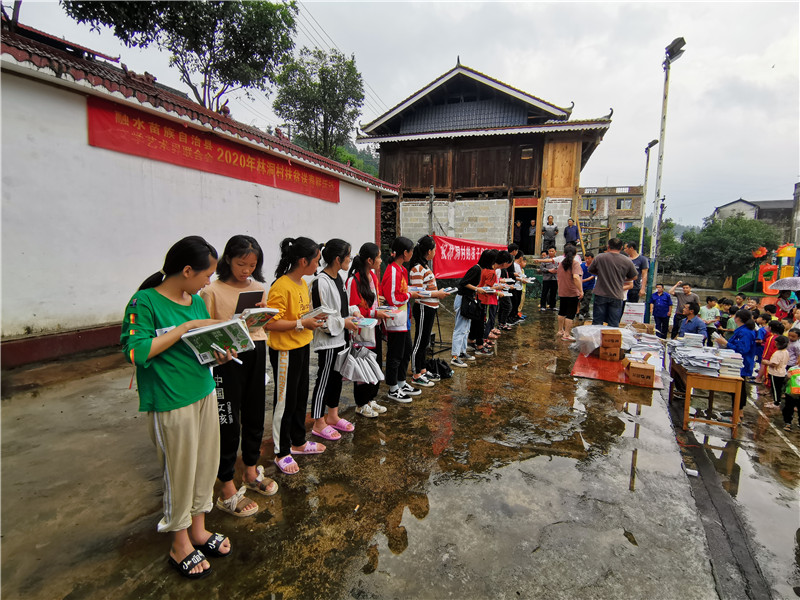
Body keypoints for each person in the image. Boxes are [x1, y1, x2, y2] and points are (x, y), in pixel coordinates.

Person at [121, 236, 236, 579]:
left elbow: (201, 346)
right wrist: (185, 327)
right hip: (170, 399)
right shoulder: (144, 302)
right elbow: (136, 352)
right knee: (179, 470)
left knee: (205, 464)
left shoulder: (197, 301)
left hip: (203, 391)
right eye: (206, 275)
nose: (209, 282)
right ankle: (179, 542)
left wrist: (221, 351)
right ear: (187, 270)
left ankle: (198, 530)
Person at [199, 235, 277, 520]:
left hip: (255, 350)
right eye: (241, 263)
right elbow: (203, 330)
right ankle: (226, 484)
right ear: (227, 260)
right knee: (227, 419)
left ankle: (251, 469)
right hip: (225, 359)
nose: (246, 270)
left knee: (256, 412)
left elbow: (260, 327)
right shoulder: (212, 291)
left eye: (252, 265)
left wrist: (260, 316)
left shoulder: (258, 288)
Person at [265, 237, 328, 476]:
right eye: (316, 261)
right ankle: (282, 451)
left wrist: (313, 320)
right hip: (285, 351)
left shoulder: (302, 283)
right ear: (303, 260)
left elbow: (301, 316)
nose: (317, 266)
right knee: (285, 401)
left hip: (302, 345)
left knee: (300, 397)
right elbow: (270, 323)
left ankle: (298, 442)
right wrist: (303, 322)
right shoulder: (281, 286)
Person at [310, 239, 360, 441]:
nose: (350, 259)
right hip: (328, 341)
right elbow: (319, 318)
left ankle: (333, 415)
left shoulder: (338, 278)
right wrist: (343, 323)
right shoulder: (320, 282)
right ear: (338, 259)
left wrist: (353, 315)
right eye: (348, 255)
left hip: (341, 339)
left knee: (336, 379)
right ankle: (318, 421)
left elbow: (341, 309)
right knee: (323, 379)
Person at [346, 243, 391, 418]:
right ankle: (361, 403)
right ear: (369, 260)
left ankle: (371, 399)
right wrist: (374, 312)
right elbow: (353, 307)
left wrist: (381, 310)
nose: (381, 260)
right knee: (362, 367)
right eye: (379, 257)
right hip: (362, 332)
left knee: (375, 364)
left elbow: (374, 302)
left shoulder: (373, 276)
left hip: (376, 327)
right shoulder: (354, 280)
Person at [381, 237, 423, 403]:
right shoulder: (392, 270)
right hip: (395, 318)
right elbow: (392, 297)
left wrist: (409, 292)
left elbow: (401, 291)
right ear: (405, 253)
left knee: (406, 350)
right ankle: (392, 388)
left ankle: (401, 382)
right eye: (411, 251)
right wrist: (409, 295)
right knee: (395, 353)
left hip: (403, 317)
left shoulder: (401, 270)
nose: (412, 254)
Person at [409, 235, 449, 385]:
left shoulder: (424, 266)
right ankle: (415, 374)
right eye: (434, 250)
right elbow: (418, 292)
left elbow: (428, 287)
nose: (435, 252)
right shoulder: (417, 269)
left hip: (431, 307)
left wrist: (439, 292)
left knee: (425, 340)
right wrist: (437, 294)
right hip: (423, 307)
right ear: (428, 251)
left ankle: (423, 369)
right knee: (419, 341)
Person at [588, 238, 638, 327]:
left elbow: (591, 270)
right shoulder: (627, 260)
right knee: (614, 323)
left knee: (597, 322)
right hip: (617, 295)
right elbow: (634, 276)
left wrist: (602, 274)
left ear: (608, 246)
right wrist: (622, 278)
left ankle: (597, 340)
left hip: (601, 293)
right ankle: (611, 339)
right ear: (621, 247)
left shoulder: (600, 257)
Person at [450, 251, 487, 367]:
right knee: (460, 328)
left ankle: (462, 352)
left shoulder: (479, 269)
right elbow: (463, 283)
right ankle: (455, 356)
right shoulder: (475, 269)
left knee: (466, 328)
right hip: (463, 300)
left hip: (468, 300)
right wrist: (477, 289)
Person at [715, 309, 757, 409]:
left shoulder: (745, 332)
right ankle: (737, 411)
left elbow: (743, 349)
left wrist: (726, 343)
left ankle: (738, 412)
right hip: (737, 361)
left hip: (741, 363)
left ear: (737, 318)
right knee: (738, 388)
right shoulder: (742, 330)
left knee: (739, 388)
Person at [555, 244, 583, 341]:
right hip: (572, 292)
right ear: (575, 254)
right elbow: (576, 277)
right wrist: (580, 290)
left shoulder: (561, 264)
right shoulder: (575, 264)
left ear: (564, 254)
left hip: (562, 291)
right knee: (570, 313)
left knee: (562, 311)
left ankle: (560, 330)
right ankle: (566, 334)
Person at [765, 335, 790, 407]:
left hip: (775, 373)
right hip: (782, 372)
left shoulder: (778, 353)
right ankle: (776, 401)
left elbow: (774, 363)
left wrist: (766, 362)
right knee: (778, 388)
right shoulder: (786, 352)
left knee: (775, 389)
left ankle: (776, 403)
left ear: (776, 343)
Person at [538, 247, 558, 311]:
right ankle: (543, 306)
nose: (551, 252)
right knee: (545, 292)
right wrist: (549, 270)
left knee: (553, 292)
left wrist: (556, 270)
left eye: (552, 251)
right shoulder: (545, 259)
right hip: (546, 278)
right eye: (550, 251)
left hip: (555, 278)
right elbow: (541, 268)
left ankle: (552, 306)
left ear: (555, 252)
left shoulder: (558, 259)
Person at [577, 252, 595, 322]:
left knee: (587, 299)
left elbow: (593, 276)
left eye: (588, 258)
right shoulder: (582, 265)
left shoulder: (594, 266)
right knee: (582, 299)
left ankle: (581, 313)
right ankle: (586, 312)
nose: (587, 260)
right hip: (581, 286)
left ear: (592, 258)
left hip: (589, 286)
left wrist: (584, 280)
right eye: (586, 258)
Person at [782, 366, 800, 431]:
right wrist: (787, 377)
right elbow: (784, 381)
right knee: (788, 408)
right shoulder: (792, 369)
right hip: (791, 393)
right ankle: (788, 423)